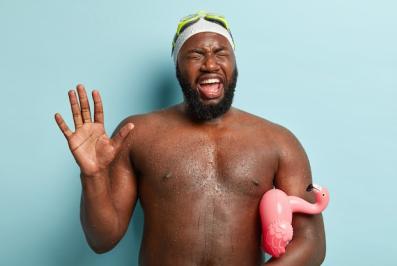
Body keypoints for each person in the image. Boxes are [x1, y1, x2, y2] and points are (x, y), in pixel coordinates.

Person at [55, 11, 326, 266]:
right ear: (178, 67)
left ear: (234, 62)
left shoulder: (279, 142)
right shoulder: (136, 134)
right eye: (195, 55)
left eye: (221, 53)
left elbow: (311, 243)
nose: (210, 64)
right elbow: (102, 239)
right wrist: (93, 176)